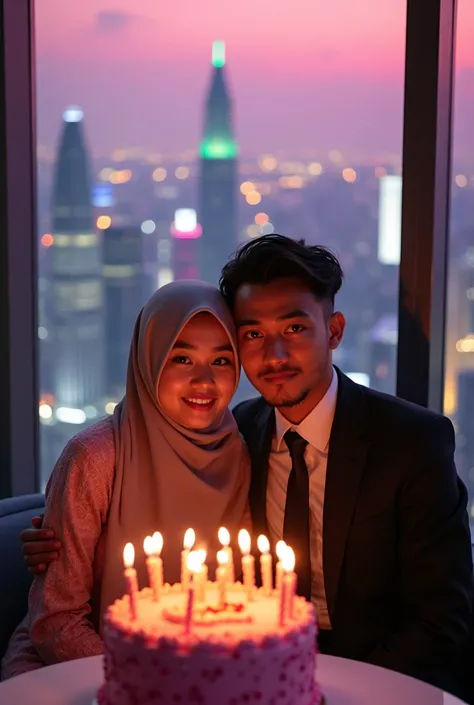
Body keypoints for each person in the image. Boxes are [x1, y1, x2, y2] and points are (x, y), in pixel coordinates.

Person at [20, 235, 473, 694]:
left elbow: (442, 620)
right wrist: (52, 534)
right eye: (253, 334)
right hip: (227, 673)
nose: (273, 355)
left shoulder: (410, 442)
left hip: (370, 675)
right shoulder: (241, 434)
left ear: (334, 331)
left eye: (294, 329)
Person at [1, 280, 250, 680]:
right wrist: (144, 679)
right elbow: (54, 623)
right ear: (148, 359)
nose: (204, 381)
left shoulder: (236, 453)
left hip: (192, 670)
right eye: (181, 359)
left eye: (221, 361)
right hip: (75, 665)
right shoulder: (96, 457)